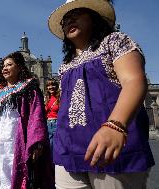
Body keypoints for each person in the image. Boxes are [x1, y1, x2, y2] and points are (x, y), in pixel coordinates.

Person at [48, 0, 155, 188]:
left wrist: (115, 126)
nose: (69, 21)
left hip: (110, 151)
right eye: (65, 20)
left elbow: (134, 81)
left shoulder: (115, 41)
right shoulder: (65, 65)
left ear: (93, 16)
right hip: (69, 151)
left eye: (77, 14)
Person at [0, 52, 54, 189]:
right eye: (4, 66)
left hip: (17, 139)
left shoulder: (28, 88)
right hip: (1, 142)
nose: (5, 68)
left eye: (9, 65)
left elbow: (36, 116)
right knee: (1, 174)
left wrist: (37, 143)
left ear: (19, 68)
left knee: (18, 174)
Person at [45, 78, 60, 155]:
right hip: (47, 124)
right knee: (49, 148)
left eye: (53, 85)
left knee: (55, 147)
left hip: (56, 123)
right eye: (49, 85)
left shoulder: (60, 98)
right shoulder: (46, 98)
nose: (51, 87)